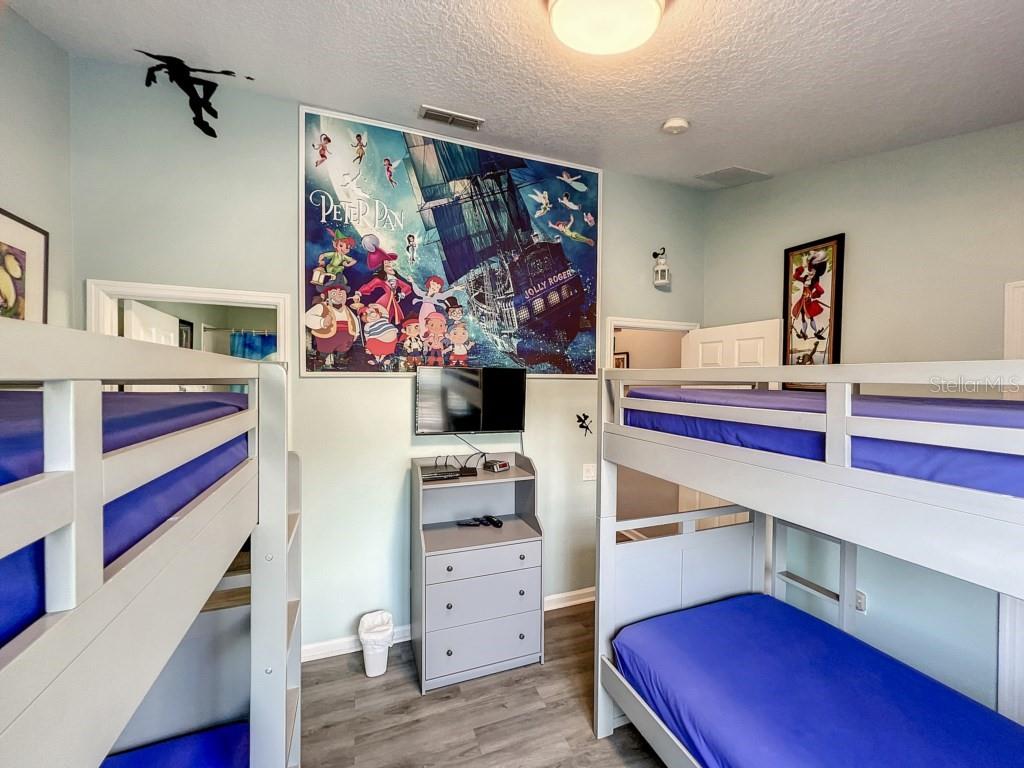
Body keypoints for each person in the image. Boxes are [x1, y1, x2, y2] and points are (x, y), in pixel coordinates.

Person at [355, 235, 412, 325]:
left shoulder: (395, 279)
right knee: (380, 319)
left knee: (390, 320)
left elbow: (407, 287)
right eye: (386, 263)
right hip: (383, 302)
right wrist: (359, 293)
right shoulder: (380, 280)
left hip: (393, 302)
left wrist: (401, 294)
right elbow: (369, 286)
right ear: (382, 267)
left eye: (390, 262)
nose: (389, 265)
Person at [304, 282, 360, 369]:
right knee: (324, 349)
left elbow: (354, 320)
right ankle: (321, 359)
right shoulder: (322, 306)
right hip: (327, 337)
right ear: (324, 296)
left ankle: (341, 358)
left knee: (343, 349)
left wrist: (356, 333)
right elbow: (307, 317)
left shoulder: (347, 309)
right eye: (334, 293)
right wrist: (322, 322)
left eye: (341, 293)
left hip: (345, 338)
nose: (338, 295)